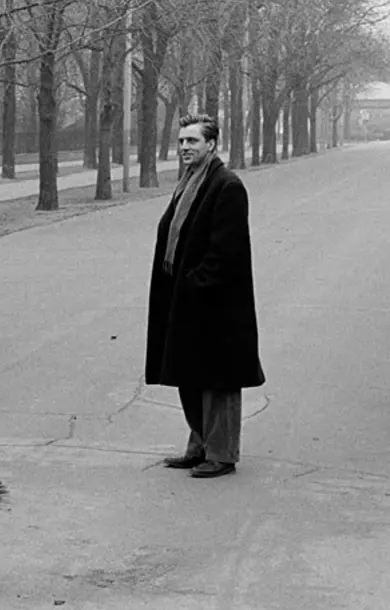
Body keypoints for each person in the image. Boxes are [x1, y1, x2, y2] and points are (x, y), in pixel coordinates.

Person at [145, 113, 266, 479]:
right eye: (182, 141)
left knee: (218, 381)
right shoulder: (189, 182)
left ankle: (222, 454)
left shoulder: (226, 186)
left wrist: (195, 283)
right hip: (184, 299)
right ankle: (199, 445)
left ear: (211, 144)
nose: (185, 147)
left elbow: (226, 251)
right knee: (190, 374)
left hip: (215, 304)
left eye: (192, 141)